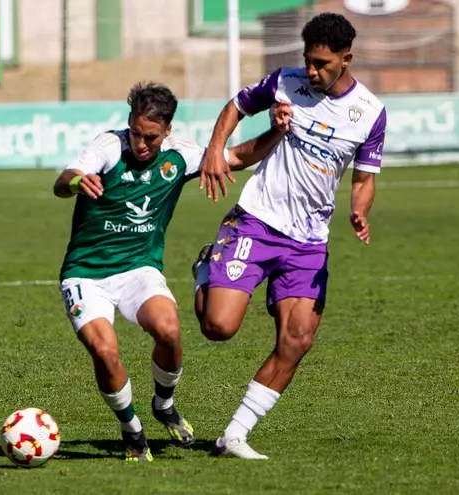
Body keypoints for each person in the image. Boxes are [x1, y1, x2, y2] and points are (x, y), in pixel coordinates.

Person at [53, 81, 287, 462]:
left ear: (167, 131)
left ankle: (164, 404)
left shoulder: (179, 156)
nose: (141, 144)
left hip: (139, 269)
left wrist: (276, 130)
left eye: (150, 137)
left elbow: (236, 158)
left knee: (169, 330)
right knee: (105, 350)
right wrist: (79, 180)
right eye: (135, 133)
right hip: (86, 274)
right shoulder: (109, 147)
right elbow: (63, 182)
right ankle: (131, 430)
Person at [192, 12, 387, 460]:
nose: (312, 71)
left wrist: (360, 209)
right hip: (257, 222)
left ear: (346, 59)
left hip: (309, 242)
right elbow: (236, 106)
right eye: (309, 61)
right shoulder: (285, 82)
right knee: (218, 327)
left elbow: (365, 177)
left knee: (298, 339)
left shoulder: (371, 114)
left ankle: (234, 435)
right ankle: (207, 267)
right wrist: (215, 152)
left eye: (322, 63)